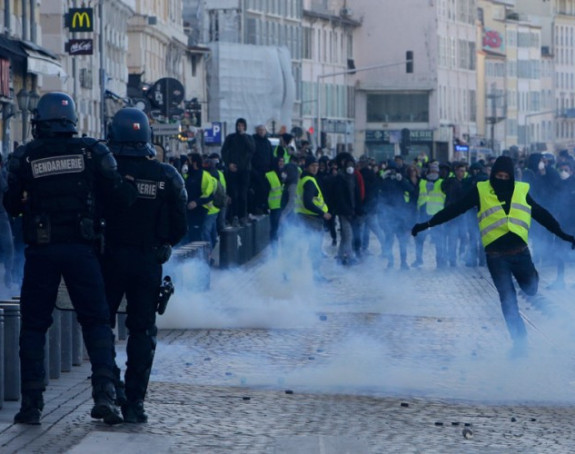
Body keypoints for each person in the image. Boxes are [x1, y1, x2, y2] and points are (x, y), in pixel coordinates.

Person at [4, 92, 137, 425]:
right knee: (96, 322)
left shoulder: (26, 156)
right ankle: (104, 393)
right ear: (72, 121)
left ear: (39, 123)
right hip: (82, 250)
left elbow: (10, 206)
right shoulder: (91, 152)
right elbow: (119, 196)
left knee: (34, 326)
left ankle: (32, 404)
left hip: (42, 252)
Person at [411, 156, 575, 357]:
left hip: (521, 253)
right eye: (499, 176)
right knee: (508, 300)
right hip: (496, 257)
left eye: (506, 176)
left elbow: (542, 215)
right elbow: (455, 209)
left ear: (512, 176)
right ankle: (520, 342)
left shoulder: (521, 190)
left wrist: (564, 236)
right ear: (493, 175)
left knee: (531, 289)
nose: (502, 179)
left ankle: (530, 287)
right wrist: (427, 224)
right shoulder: (481, 190)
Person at [102, 108, 187, 423]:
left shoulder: (106, 174)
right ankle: (135, 403)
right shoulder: (166, 175)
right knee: (142, 331)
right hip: (148, 261)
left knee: (101, 327)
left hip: (108, 259)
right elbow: (180, 225)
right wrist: (162, 243)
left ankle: (112, 389)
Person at [294, 155, 332, 281]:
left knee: (307, 247)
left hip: (304, 217)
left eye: (316, 166)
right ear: (307, 167)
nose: (315, 168)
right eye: (313, 166)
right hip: (311, 219)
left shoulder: (304, 178)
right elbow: (308, 203)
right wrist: (323, 213)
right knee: (315, 248)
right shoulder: (309, 181)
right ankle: (314, 275)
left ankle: (305, 273)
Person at [220, 118, 254, 226]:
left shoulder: (248, 138)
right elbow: (224, 151)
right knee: (234, 194)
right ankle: (233, 216)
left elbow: (252, 149)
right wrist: (228, 163)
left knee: (243, 195)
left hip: (245, 171)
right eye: (239, 125)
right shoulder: (231, 138)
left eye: (242, 125)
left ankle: (242, 216)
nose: (240, 127)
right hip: (233, 170)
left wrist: (244, 136)